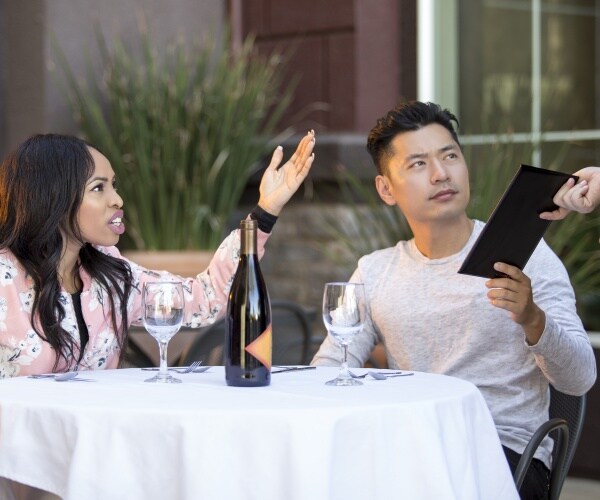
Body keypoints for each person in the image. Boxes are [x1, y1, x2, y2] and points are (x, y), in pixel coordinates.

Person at [311, 101, 596, 500]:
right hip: (411, 447)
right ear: (386, 189)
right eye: (418, 164)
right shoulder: (376, 271)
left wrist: (533, 319)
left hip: (504, 455)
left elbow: (581, 377)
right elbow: (329, 366)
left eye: (450, 156)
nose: (441, 174)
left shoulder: (526, 254)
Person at [0, 131, 315, 378]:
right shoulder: (5, 278)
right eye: (99, 188)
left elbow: (206, 299)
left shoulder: (113, 276)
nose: (117, 200)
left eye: (114, 185)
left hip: (91, 447)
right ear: (52, 197)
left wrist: (266, 210)